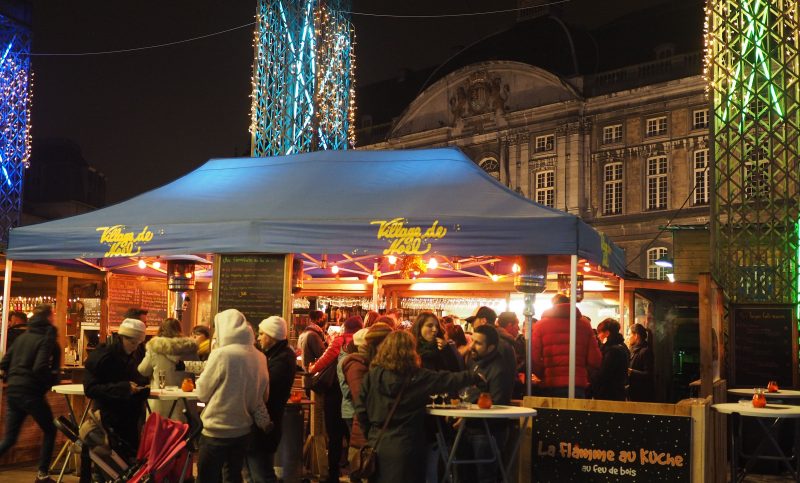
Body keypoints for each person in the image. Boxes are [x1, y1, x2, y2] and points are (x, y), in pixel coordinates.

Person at [353, 331, 484, 483]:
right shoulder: (418, 377)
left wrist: (371, 433)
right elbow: (446, 379)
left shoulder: (372, 375)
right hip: (407, 445)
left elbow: (361, 409)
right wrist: (474, 376)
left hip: (378, 443)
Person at [195, 309, 269, 483]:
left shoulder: (222, 354)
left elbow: (202, 393)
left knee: (207, 478)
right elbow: (264, 395)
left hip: (216, 431)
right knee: (233, 477)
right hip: (243, 431)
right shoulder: (260, 357)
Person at [0, 304, 60, 483]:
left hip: (14, 391)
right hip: (31, 393)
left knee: (10, 438)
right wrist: (51, 379)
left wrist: (11, 377)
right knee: (50, 430)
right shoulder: (47, 337)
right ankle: (42, 475)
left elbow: (4, 363)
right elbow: (40, 366)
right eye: (53, 315)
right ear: (49, 318)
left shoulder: (23, 336)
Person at [83, 318, 150, 462]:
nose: (135, 346)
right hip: (108, 418)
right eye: (132, 342)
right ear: (121, 337)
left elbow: (139, 379)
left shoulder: (137, 354)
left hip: (131, 418)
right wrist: (124, 388)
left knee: (128, 462)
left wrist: (142, 389)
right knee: (111, 462)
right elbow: (90, 389)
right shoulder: (102, 356)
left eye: (139, 343)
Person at [308, 315, 363, 483]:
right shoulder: (362, 343)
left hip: (334, 395)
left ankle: (333, 474)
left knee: (334, 436)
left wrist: (312, 368)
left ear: (345, 327)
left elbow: (322, 362)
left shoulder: (339, 341)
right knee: (354, 437)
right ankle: (357, 473)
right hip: (354, 396)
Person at [246, 316, 297, 483]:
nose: (258, 337)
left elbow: (264, 389)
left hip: (267, 423)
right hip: (266, 423)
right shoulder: (276, 355)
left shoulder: (282, 359)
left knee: (262, 473)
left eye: (261, 334)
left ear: (272, 336)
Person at [341, 323, 392, 481]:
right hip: (364, 435)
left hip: (371, 433)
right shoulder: (357, 365)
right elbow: (362, 401)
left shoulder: (371, 366)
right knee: (365, 473)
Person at [531, 294, 602, 398]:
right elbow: (595, 360)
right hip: (577, 384)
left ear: (553, 305)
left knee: (553, 414)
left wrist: (544, 374)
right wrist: (583, 373)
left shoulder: (541, 325)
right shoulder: (584, 324)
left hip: (551, 383)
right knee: (575, 414)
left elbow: (534, 358)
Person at [137, 318, 198, 418]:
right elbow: (197, 368)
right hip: (185, 400)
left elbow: (143, 370)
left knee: (160, 429)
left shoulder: (154, 348)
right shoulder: (190, 349)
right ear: (179, 329)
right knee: (183, 431)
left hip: (160, 400)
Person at [593, 318, 629, 401]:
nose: (598, 336)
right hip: (618, 393)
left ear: (607, 333)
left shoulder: (612, 350)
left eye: (599, 333)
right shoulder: (622, 346)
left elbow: (604, 373)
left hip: (609, 395)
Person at [628, 323, 655, 402]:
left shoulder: (645, 351)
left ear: (636, 336)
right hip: (634, 392)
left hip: (642, 395)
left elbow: (649, 374)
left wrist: (631, 372)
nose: (628, 337)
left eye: (629, 334)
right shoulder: (633, 350)